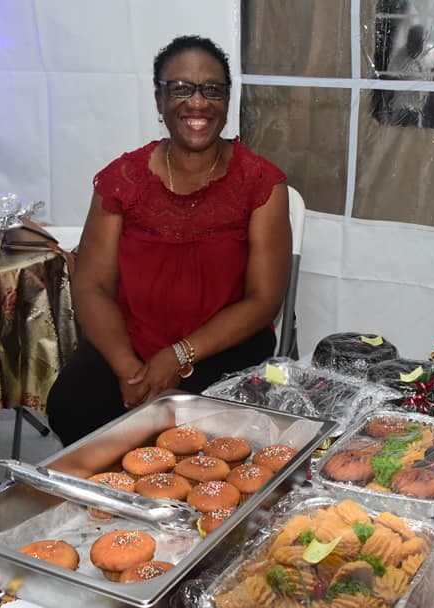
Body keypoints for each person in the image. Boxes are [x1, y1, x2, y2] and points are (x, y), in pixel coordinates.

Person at [46, 35, 291, 446]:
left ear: (227, 101)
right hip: (133, 340)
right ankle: (115, 503)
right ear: (159, 100)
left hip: (224, 346)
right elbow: (92, 285)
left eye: (212, 89)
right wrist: (129, 369)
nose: (197, 103)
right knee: (72, 407)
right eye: (180, 89)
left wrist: (178, 356)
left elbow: (263, 300)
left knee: (193, 432)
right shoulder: (122, 180)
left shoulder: (262, 183)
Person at [386, 25, 429, 127]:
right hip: (400, 107)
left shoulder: (427, 57)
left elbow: (429, 81)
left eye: (418, 42)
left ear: (422, 42)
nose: (413, 46)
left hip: (419, 109)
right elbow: (389, 79)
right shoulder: (399, 57)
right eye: (411, 41)